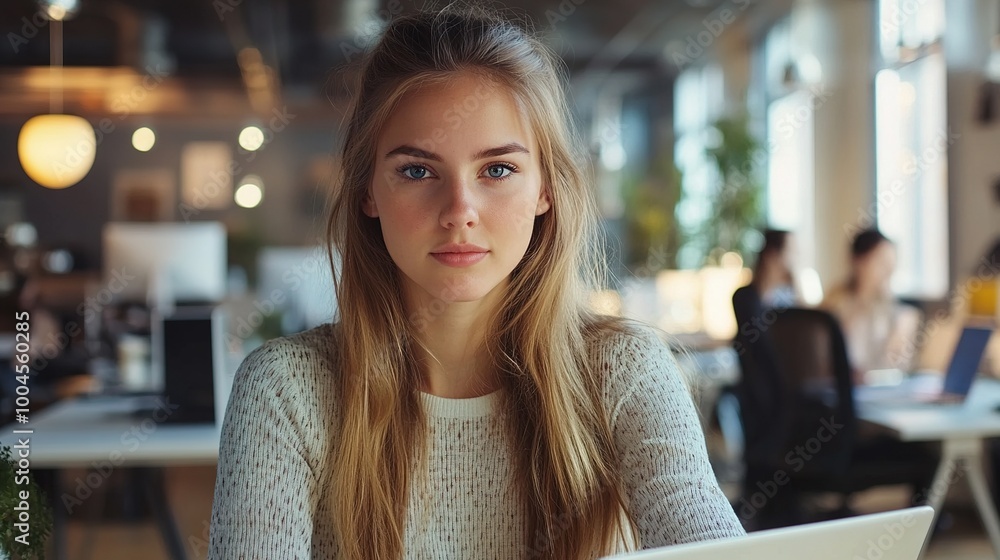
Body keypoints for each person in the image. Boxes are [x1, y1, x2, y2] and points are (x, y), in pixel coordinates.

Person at [208, 7, 744, 559]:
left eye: (497, 170)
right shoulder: (287, 391)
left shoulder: (624, 372)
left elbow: (706, 536)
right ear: (368, 190)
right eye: (417, 171)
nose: (459, 211)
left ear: (545, 190)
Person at [822, 229, 921, 379]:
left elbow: (893, 365)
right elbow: (829, 356)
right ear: (858, 262)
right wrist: (863, 298)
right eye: (881, 263)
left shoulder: (899, 314)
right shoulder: (834, 305)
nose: (887, 273)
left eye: (890, 266)